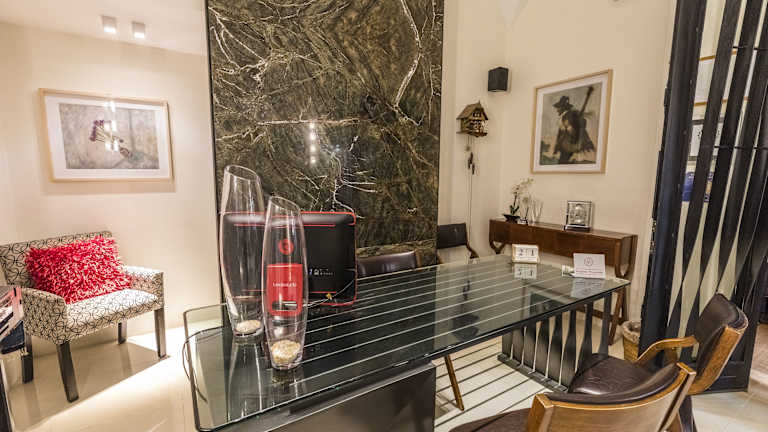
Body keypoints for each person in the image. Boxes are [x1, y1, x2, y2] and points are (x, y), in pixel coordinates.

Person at [552, 90, 595, 164]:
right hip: (566, 146)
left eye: (558, 107)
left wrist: (570, 130)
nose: (557, 110)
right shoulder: (565, 116)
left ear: (563, 107)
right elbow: (561, 134)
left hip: (569, 146)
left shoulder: (567, 116)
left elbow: (572, 130)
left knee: (563, 162)